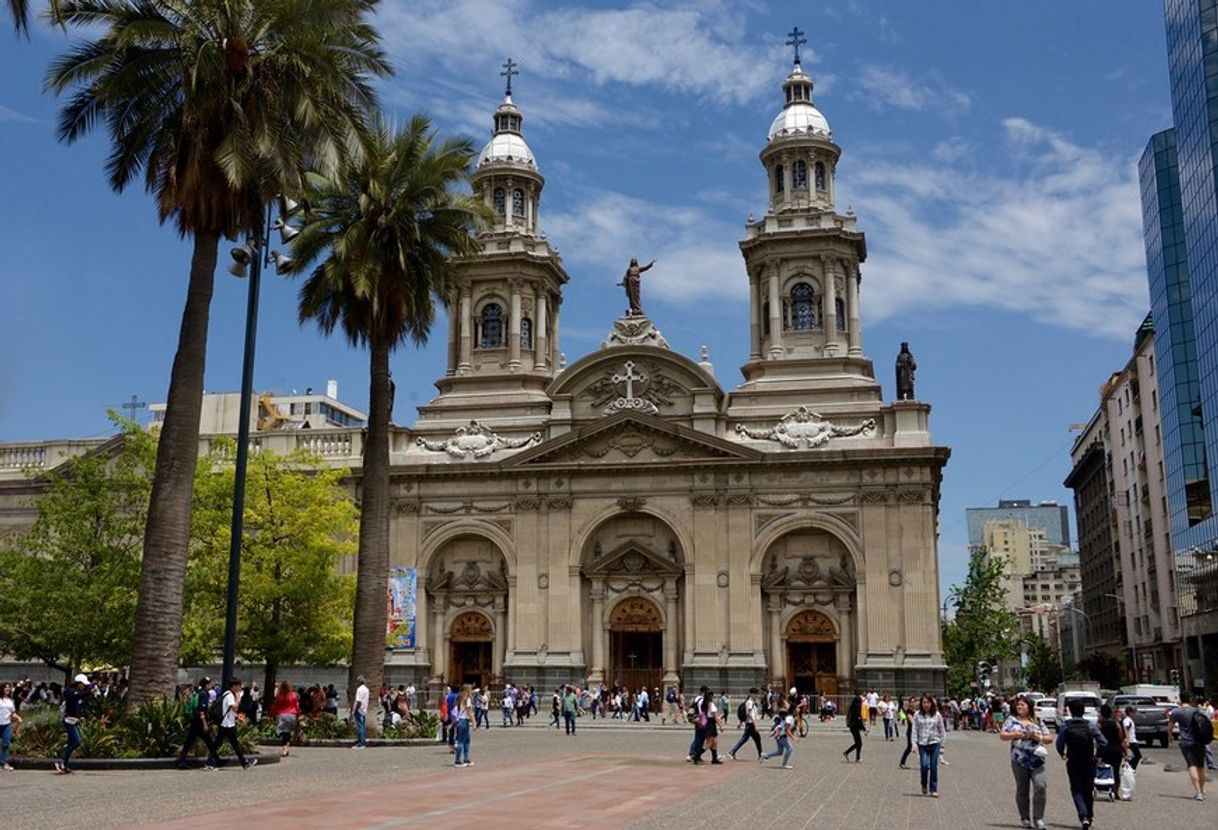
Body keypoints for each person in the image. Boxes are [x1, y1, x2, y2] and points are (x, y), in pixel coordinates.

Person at [1001, 696, 1052, 830]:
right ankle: (1025, 818)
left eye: (1022, 705)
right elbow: (1002, 735)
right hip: (1019, 761)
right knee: (1022, 789)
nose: (1019, 707)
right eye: (1018, 705)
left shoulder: (1037, 720)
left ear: (1029, 706)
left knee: (1040, 786)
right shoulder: (1011, 720)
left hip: (1036, 761)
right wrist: (1015, 734)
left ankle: (1039, 818)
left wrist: (1038, 737)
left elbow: (1049, 738)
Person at [1056, 697, 1106, 829]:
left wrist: (1062, 754)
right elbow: (1103, 741)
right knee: (1088, 789)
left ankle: (1083, 815)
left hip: (1073, 761)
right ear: (1083, 711)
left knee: (1076, 789)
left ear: (1070, 711)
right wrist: (1097, 755)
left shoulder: (1066, 725)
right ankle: (1089, 816)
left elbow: (1059, 743)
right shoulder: (1089, 725)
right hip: (1089, 761)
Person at [1170, 691, 1209, 801]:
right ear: (1190, 699)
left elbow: (1170, 727)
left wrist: (1170, 736)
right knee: (1201, 766)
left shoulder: (1176, 711)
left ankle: (1198, 792)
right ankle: (1202, 790)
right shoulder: (1196, 710)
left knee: (1192, 765)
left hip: (1186, 742)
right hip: (1199, 741)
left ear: (1180, 699)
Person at [175, 677, 220, 770]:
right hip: (200, 722)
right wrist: (204, 723)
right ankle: (213, 761)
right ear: (206, 685)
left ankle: (182, 761)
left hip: (194, 721)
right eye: (210, 684)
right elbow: (201, 710)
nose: (211, 685)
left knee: (189, 742)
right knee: (210, 742)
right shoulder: (204, 694)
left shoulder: (198, 692)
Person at [55, 673, 92, 774]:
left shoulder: (80, 693)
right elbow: (78, 695)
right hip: (69, 721)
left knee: (72, 743)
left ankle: (64, 764)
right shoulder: (70, 692)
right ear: (78, 683)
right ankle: (61, 761)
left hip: (75, 721)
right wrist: (90, 690)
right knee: (76, 742)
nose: (84, 686)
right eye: (82, 684)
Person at [216, 679, 256, 770]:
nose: (240, 688)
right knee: (234, 744)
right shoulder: (229, 695)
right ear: (234, 686)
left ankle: (210, 762)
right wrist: (238, 698)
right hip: (227, 724)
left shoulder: (227, 694)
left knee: (219, 743)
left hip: (227, 723)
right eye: (239, 686)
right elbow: (234, 707)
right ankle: (244, 762)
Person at [913, 694, 945, 797]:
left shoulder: (937, 715)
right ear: (921, 704)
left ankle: (933, 788)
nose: (926, 705)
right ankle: (923, 784)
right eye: (924, 703)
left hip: (935, 743)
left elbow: (942, 730)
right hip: (923, 744)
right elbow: (915, 730)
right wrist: (914, 744)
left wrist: (943, 745)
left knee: (933, 766)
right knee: (924, 765)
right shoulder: (917, 715)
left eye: (928, 702)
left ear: (932, 703)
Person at [760, 699, 797, 769]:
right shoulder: (789, 718)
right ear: (794, 710)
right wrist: (793, 737)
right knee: (790, 749)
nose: (798, 710)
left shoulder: (789, 716)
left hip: (778, 734)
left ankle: (765, 755)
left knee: (780, 751)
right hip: (781, 735)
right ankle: (784, 764)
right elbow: (786, 729)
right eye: (797, 709)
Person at [729, 688, 763, 761]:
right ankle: (732, 752)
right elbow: (749, 714)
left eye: (757, 694)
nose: (756, 695)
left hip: (750, 723)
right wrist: (755, 724)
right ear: (751, 694)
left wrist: (740, 723)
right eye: (755, 694)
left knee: (755, 738)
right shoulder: (749, 702)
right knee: (746, 739)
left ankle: (760, 754)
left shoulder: (752, 702)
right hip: (750, 724)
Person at [269, 681, 300, 758]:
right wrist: (298, 715)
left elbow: (275, 706)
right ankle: (287, 747)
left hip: (282, 715)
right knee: (288, 732)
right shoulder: (294, 695)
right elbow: (296, 706)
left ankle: (284, 748)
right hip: (292, 715)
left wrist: (272, 714)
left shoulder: (280, 696)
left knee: (283, 733)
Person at [0, 682, 22, 771]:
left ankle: (4, 762)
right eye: (5, 687)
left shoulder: (10, 701)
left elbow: (12, 713)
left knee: (6, 744)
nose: (7, 689)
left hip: (6, 724)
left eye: (9, 687)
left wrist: (18, 718)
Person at [453, 684, 474, 767]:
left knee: (467, 741)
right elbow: (469, 712)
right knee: (461, 741)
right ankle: (457, 761)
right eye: (470, 689)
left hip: (460, 721)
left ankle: (466, 759)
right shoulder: (467, 699)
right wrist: (474, 723)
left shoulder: (460, 698)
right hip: (464, 720)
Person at [842, 693, 865, 762]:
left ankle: (850, 754)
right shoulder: (857, 707)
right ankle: (850, 754)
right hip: (855, 727)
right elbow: (858, 718)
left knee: (858, 743)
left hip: (853, 727)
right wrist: (863, 727)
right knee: (859, 743)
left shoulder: (853, 707)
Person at [1120, 705, 1142, 771]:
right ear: (1129, 712)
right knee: (1138, 755)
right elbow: (1126, 729)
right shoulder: (1127, 720)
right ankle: (1132, 767)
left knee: (1134, 755)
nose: (1134, 714)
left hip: (1132, 739)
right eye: (1133, 712)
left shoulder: (1129, 720)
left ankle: (1128, 765)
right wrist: (1127, 740)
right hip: (1131, 740)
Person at [351, 676, 370, 749]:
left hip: (359, 710)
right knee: (363, 726)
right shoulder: (366, 689)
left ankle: (360, 743)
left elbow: (358, 701)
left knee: (360, 726)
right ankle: (363, 740)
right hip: (364, 709)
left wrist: (354, 710)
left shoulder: (359, 690)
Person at [899, 696, 916, 769]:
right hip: (910, 732)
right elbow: (912, 722)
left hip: (915, 732)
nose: (913, 703)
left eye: (914, 702)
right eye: (911, 702)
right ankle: (902, 762)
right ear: (909, 703)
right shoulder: (909, 711)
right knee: (909, 747)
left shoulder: (915, 711)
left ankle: (925, 763)